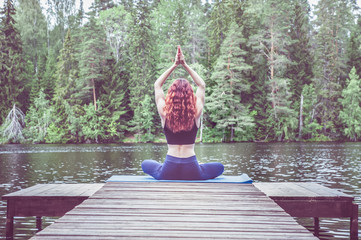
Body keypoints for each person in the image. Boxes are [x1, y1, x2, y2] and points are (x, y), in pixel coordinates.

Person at [141, 46, 224, 180]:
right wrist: (184, 65)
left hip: (168, 169)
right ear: (190, 94)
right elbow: (202, 85)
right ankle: (200, 166)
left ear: (171, 94)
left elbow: (157, 85)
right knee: (220, 167)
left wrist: (174, 65)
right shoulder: (196, 112)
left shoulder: (164, 112)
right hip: (192, 168)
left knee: (145, 164)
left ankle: (164, 167)